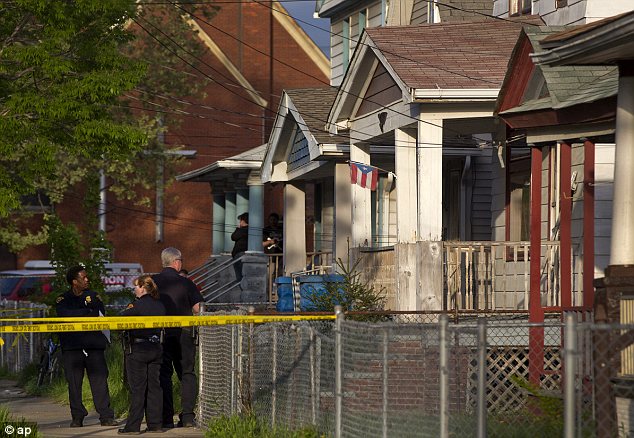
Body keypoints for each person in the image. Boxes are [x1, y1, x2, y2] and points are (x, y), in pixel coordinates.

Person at [55, 265, 116, 428]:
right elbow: (64, 315)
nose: (87, 280)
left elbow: (98, 313)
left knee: (99, 381)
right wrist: (85, 312)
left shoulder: (93, 296)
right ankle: (77, 416)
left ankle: (106, 415)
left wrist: (80, 314)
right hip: (72, 347)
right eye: (83, 277)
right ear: (75, 282)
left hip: (93, 346)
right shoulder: (63, 299)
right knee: (74, 384)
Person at [152, 248, 204, 429]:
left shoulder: (152, 282)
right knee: (187, 373)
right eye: (181, 260)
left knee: (163, 374)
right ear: (176, 262)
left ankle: (166, 418)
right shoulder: (186, 283)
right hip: (184, 333)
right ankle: (188, 417)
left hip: (160, 334)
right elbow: (198, 308)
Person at [118, 275, 166, 435]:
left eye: (136, 286)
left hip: (138, 350)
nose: (134, 289)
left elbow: (120, 318)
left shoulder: (136, 305)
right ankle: (155, 424)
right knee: (154, 387)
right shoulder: (160, 305)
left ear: (143, 288)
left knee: (138, 389)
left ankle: (133, 426)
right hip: (156, 348)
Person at [231, 212, 249, 281]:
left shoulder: (243, 230)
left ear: (243, 221)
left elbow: (233, 237)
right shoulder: (248, 230)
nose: (239, 222)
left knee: (240, 277)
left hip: (240, 255)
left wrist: (238, 228)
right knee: (241, 276)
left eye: (240, 220)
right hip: (241, 254)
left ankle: (242, 287)